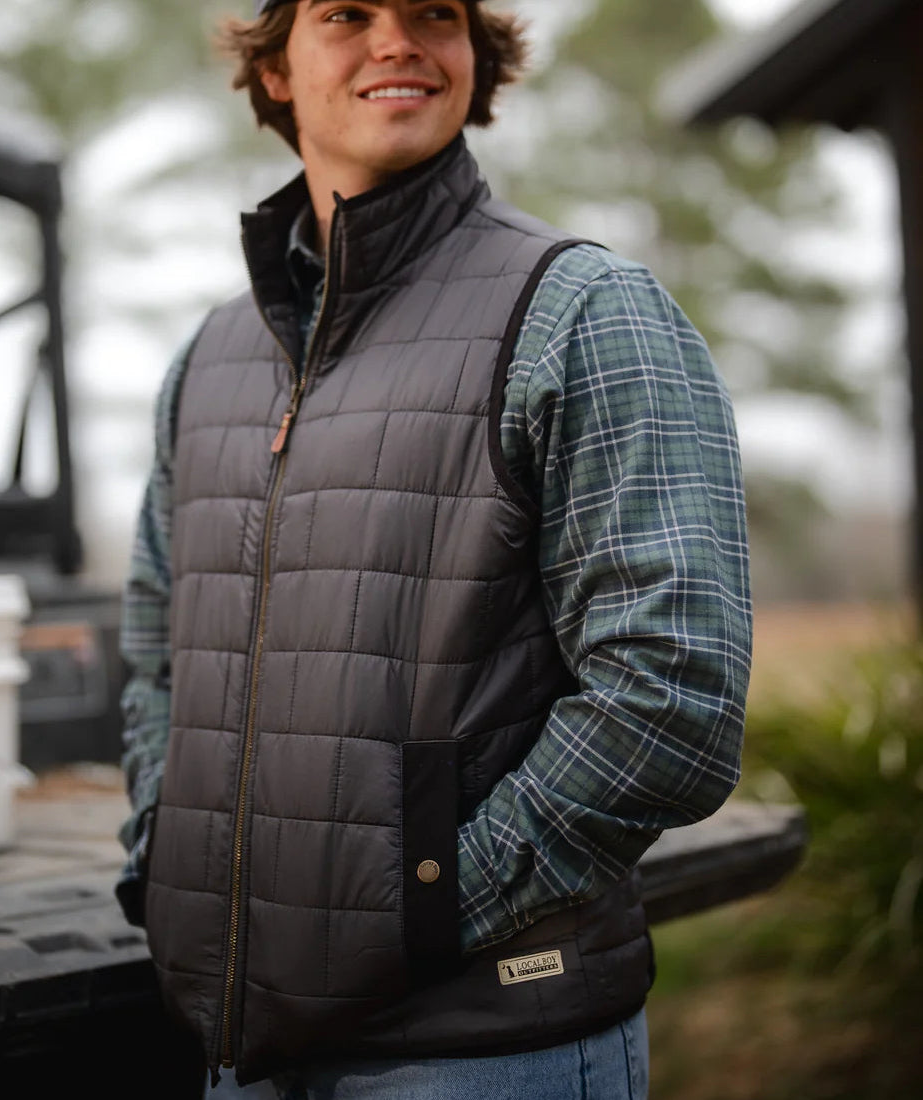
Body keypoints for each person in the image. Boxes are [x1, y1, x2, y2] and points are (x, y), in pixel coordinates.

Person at [116, 1, 752, 1096]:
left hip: (482, 1049)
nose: (397, 40)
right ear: (273, 68)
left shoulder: (583, 311)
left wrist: (418, 910)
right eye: (348, 12)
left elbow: (670, 700)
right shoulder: (210, 356)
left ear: (475, 56)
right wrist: (164, 854)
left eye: (433, 13)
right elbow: (151, 650)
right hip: (236, 1052)